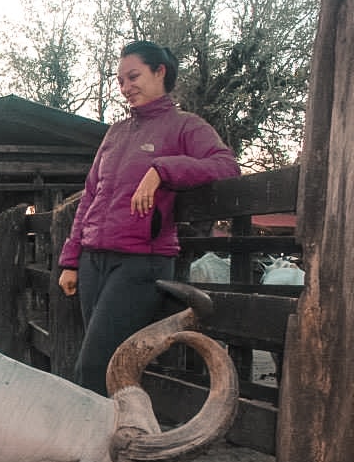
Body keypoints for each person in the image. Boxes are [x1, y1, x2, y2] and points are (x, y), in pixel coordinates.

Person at [57, 40, 240, 396]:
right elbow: (91, 196)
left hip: (143, 262)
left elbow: (226, 166)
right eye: (121, 81)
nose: (126, 88)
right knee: (106, 363)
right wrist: (71, 260)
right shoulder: (115, 133)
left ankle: (94, 444)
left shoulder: (186, 126)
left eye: (134, 76)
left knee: (95, 364)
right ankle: (117, 437)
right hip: (94, 261)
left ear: (160, 72)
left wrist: (161, 170)